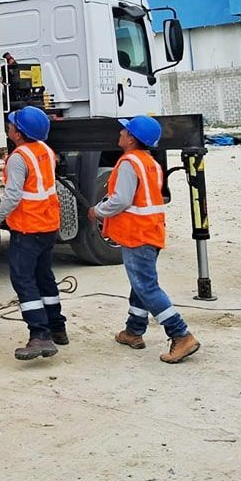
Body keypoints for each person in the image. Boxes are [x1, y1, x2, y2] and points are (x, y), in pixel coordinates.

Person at [88, 115, 201, 364]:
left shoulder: (129, 163)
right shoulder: (150, 162)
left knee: (146, 287)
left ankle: (181, 334)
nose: (121, 133)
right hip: (151, 231)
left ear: (132, 139)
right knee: (140, 284)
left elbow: (121, 200)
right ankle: (134, 331)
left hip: (136, 234)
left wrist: (98, 210)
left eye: (125, 131)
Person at [0, 106, 66, 361]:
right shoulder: (45, 150)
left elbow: (12, 196)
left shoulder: (19, 158)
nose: (9, 126)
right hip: (48, 225)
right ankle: (57, 327)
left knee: (24, 280)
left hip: (28, 228)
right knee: (44, 277)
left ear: (18, 133)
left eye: (12, 124)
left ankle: (40, 335)